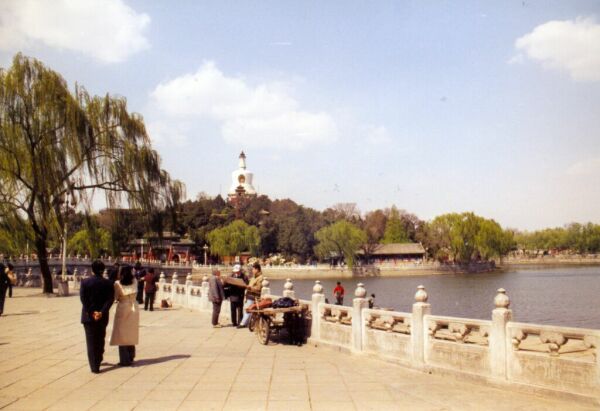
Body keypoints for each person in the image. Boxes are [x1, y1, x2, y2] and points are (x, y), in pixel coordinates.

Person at [80, 260, 114, 373]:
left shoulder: (85, 282)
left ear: (92, 270)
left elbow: (83, 300)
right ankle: (98, 359)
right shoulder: (108, 283)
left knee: (91, 341)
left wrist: (91, 312)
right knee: (100, 338)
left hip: (88, 316)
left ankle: (94, 366)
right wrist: (101, 312)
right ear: (103, 270)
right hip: (102, 317)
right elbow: (110, 300)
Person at [110, 265, 139, 366]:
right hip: (134, 308)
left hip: (123, 308)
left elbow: (115, 297)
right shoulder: (135, 281)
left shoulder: (117, 284)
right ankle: (131, 355)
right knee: (131, 332)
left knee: (121, 334)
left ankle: (124, 359)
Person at [239, 262, 264, 328]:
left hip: (254, 296)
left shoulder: (260, 278)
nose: (252, 271)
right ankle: (247, 323)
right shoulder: (253, 278)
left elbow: (258, 288)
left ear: (257, 269)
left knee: (249, 309)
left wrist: (250, 288)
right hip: (249, 295)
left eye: (253, 269)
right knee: (249, 310)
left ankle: (242, 323)